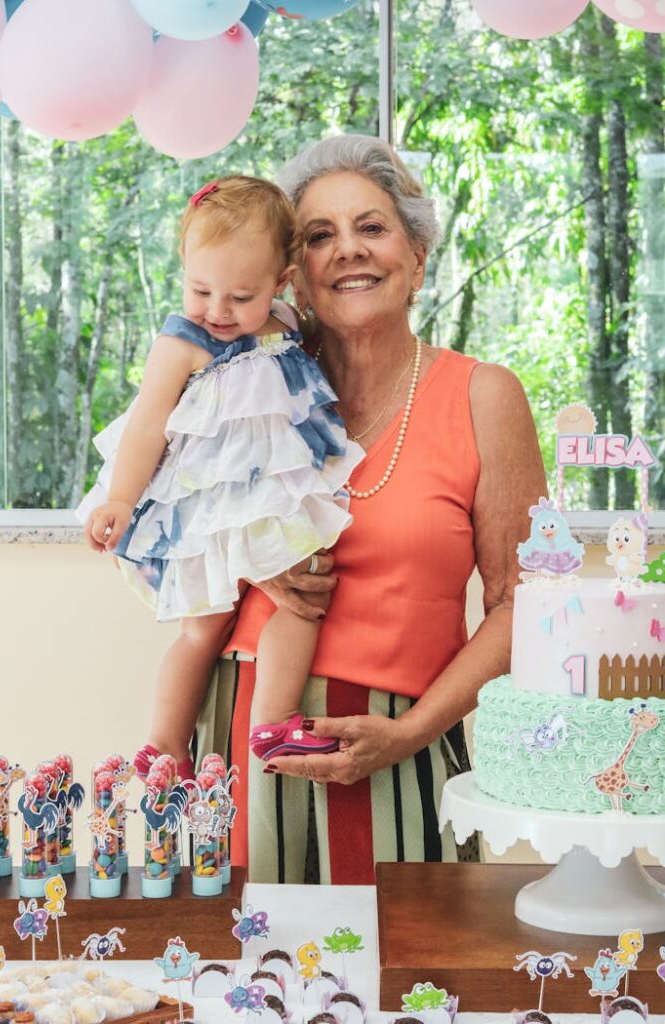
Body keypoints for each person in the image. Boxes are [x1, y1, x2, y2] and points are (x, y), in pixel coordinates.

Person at [195, 134, 548, 884]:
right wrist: (250, 564)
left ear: (416, 257)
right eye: (320, 235)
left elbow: (526, 600)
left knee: (408, 985)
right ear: (293, 272)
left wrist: (409, 733)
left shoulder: (484, 395)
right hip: (247, 727)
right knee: (237, 981)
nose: (347, 251)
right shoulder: (246, 378)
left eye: (372, 227)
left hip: (398, 744)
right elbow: (166, 534)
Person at [77, 175, 365, 782]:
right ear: (183, 265)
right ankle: (164, 742)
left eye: (240, 296)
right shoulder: (180, 342)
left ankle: (274, 721)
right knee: (201, 629)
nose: (217, 310)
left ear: (281, 283)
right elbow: (147, 425)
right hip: (207, 510)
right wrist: (122, 501)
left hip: (269, 495)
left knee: (304, 594)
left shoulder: (284, 322)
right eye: (200, 288)